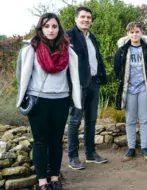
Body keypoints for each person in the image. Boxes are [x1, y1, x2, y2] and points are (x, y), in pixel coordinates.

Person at [16, 13, 81, 190]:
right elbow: (20, 76)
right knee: (40, 141)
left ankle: (54, 178)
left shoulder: (68, 50)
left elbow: (73, 77)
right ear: (41, 28)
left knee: (56, 140)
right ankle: (42, 181)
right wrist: (22, 99)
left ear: (59, 28)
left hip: (61, 100)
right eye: (47, 26)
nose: (51, 30)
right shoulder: (30, 49)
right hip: (38, 101)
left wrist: (75, 100)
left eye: (54, 26)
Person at [66, 6, 107, 170]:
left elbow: (96, 58)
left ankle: (90, 154)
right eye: (83, 17)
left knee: (91, 120)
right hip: (78, 85)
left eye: (88, 17)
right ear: (76, 19)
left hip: (93, 83)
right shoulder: (68, 36)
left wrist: (101, 77)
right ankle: (73, 157)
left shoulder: (92, 37)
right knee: (75, 120)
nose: (86, 20)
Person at [114, 22, 147, 161]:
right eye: (131, 32)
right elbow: (117, 69)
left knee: (144, 119)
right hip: (129, 89)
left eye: (137, 32)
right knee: (130, 119)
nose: (134, 34)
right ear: (128, 33)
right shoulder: (122, 50)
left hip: (143, 88)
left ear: (141, 32)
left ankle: (145, 147)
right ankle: (131, 148)